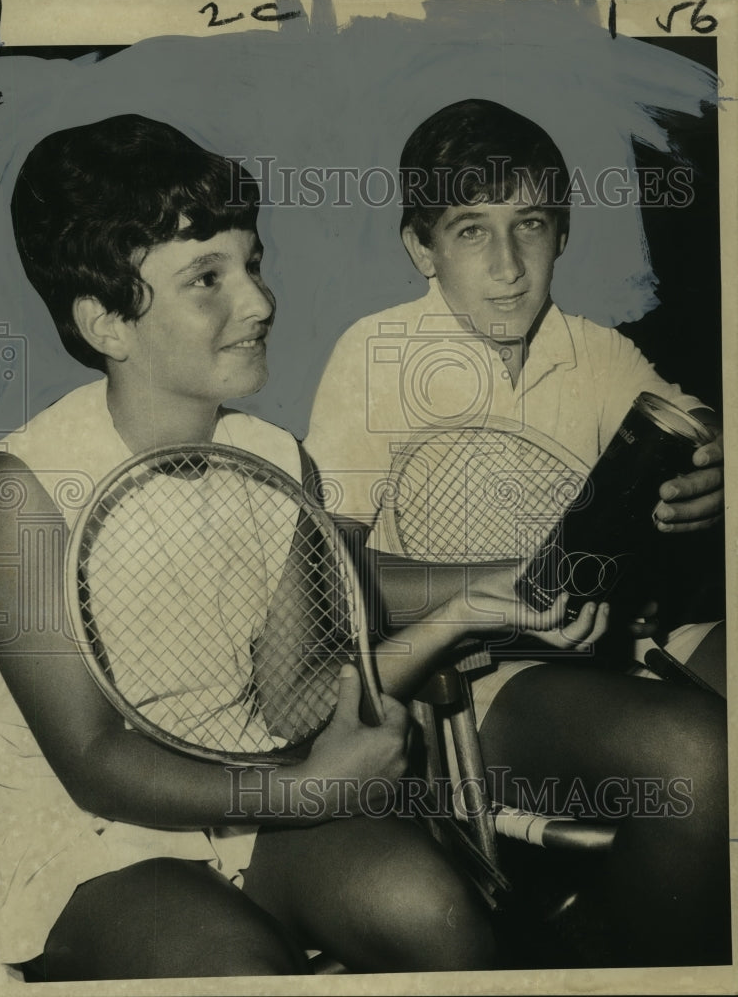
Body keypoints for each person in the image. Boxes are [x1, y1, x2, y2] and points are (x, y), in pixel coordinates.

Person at [0, 113, 592, 983]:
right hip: (85, 838)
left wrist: (461, 616)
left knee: (435, 912)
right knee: (240, 965)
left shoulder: (272, 461)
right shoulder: (19, 486)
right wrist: (307, 790)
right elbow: (96, 766)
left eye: (251, 264)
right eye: (206, 279)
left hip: (259, 804)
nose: (258, 302)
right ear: (106, 320)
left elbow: (296, 701)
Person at [303, 99, 730, 967]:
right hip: (471, 687)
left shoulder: (598, 353)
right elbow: (321, 579)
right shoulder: (374, 355)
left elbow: (691, 421)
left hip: (619, 646)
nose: (507, 267)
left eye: (529, 224)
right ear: (420, 248)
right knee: (694, 756)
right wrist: (506, 586)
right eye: (470, 230)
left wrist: (714, 465)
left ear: (560, 233)